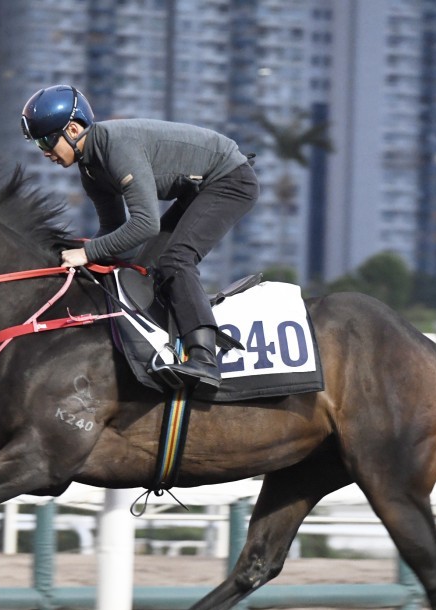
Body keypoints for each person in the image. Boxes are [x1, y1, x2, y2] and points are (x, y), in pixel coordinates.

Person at [20, 84, 259, 390]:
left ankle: (204, 360)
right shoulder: (91, 169)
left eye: (48, 139)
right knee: (143, 270)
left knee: (175, 260)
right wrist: (78, 253)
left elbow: (146, 225)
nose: (45, 152)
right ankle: (168, 346)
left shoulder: (115, 147)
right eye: (39, 143)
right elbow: (113, 230)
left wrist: (88, 253)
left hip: (230, 180)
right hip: (197, 190)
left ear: (74, 128)